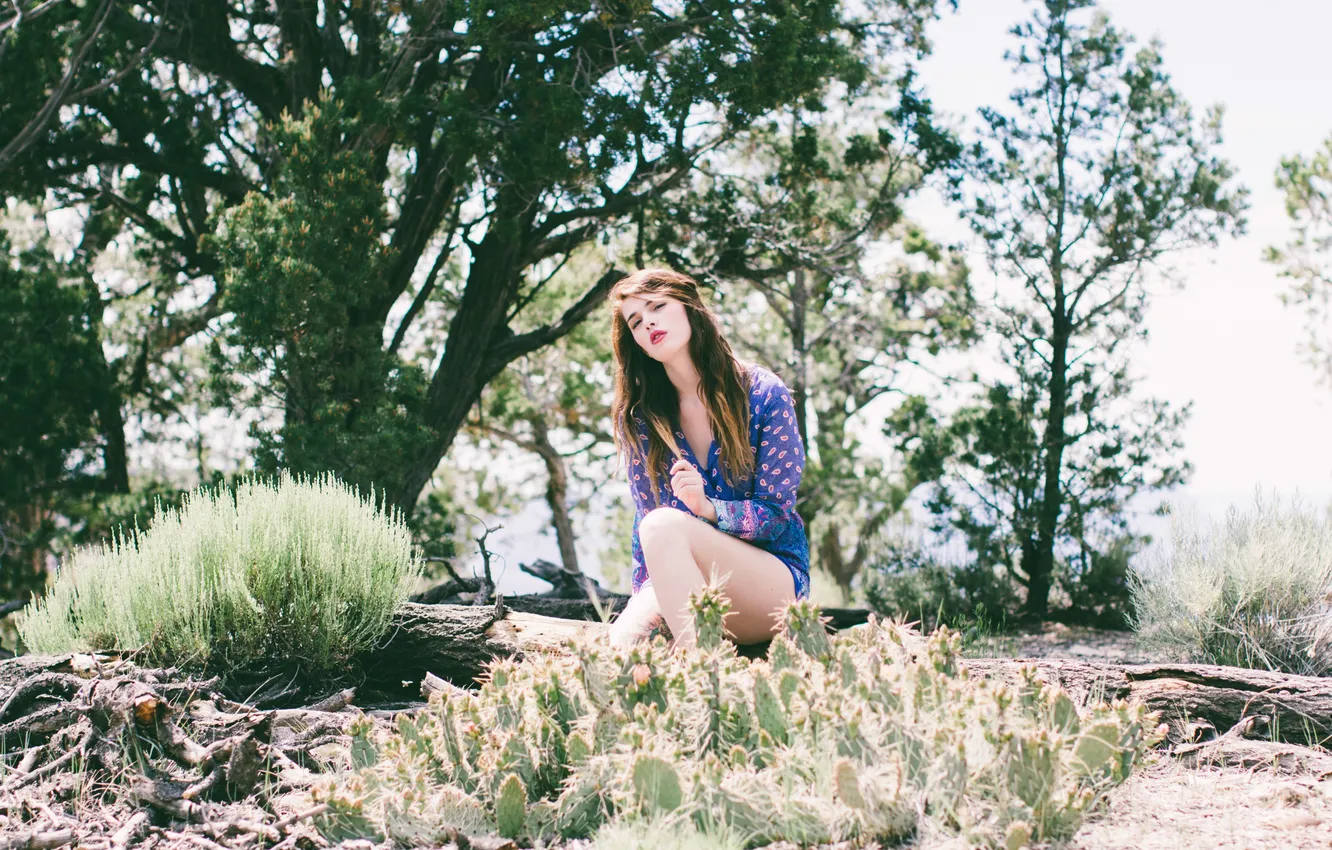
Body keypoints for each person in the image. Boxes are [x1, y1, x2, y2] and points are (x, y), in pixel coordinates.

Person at [606, 268, 810, 649]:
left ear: (688, 309)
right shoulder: (639, 419)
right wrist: (646, 605)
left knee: (661, 525)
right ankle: (700, 666)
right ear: (638, 344)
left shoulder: (763, 394)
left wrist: (710, 509)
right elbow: (648, 539)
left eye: (658, 306)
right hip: (688, 590)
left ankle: (709, 680)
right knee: (621, 647)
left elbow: (776, 515)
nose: (648, 321)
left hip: (769, 587)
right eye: (636, 322)